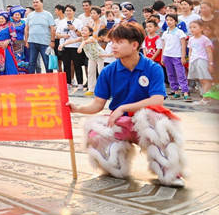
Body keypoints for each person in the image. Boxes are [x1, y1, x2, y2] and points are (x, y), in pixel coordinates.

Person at [68, 22, 185, 187]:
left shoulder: (153, 68)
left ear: (134, 45)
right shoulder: (108, 71)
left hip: (147, 124)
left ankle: (169, 172)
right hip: (120, 123)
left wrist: (123, 108)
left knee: (159, 123)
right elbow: (97, 105)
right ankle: (115, 167)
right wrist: (78, 108)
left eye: (119, 42)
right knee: (95, 131)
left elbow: (157, 100)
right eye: (112, 42)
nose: (113, 46)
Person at [161, 14, 189, 100]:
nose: (169, 22)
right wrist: (162, 57)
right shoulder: (165, 33)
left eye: (171, 20)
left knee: (180, 74)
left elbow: (183, 44)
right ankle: (175, 91)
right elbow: (163, 45)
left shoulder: (179, 32)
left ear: (175, 22)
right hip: (167, 56)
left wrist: (183, 57)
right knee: (170, 74)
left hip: (177, 56)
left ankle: (185, 92)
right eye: (167, 20)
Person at [25, 0, 57, 73]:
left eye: (37, 2)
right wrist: (26, 41)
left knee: (47, 62)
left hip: (45, 43)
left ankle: (50, 78)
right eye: (34, 2)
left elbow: (52, 29)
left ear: (42, 3)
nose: (35, 4)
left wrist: (52, 41)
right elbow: (26, 29)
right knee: (32, 62)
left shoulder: (48, 14)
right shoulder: (30, 15)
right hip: (32, 42)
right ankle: (31, 78)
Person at [58, 4, 86, 90]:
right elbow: (57, 34)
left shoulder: (78, 22)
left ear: (74, 12)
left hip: (76, 46)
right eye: (67, 10)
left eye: (70, 10)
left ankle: (80, 83)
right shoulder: (62, 22)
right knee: (66, 65)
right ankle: (68, 82)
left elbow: (81, 34)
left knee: (77, 64)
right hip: (65, 45)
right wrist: (63, 36)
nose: (68, 12)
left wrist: (74, 29)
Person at [187, 20, 214, 104]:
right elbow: (190, 51)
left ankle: (206, 98)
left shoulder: (205, 39)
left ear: (201, 28)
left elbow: (209, 52)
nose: (192, 29)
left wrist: (210, 64)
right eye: (190, 27)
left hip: (202, 60)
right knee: (201, 80)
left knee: (205, 79)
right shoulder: (191, 39)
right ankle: (206, 97)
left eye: (194, 27)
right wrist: (190, 61)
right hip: (194, 60)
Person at [77, 25, 106, 96]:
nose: (83, 31)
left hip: (100, 56)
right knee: (90, 72)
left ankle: (105, 89)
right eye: (82, 30)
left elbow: (85, 42)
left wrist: (80, 47)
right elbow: (72, 40)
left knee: (101, 72)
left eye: (85, 30)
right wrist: (63, 44)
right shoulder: (81, 39)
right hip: (92, 58)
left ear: (90, 33)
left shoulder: (91, 38)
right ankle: (91, 89)